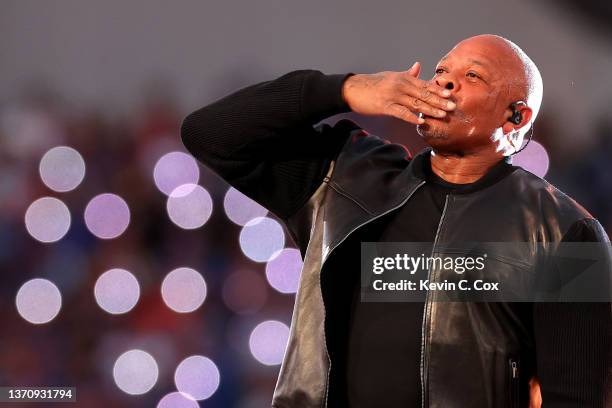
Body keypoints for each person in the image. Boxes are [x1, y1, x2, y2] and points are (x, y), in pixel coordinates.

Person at [180, 34, 611, 407]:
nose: (444, 81)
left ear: (516, 117)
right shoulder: (345, 178)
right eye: (442, 70)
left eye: (472, 76)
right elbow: (210, 134)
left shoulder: (564, 233)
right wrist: (343, 89)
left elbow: (578, 397)